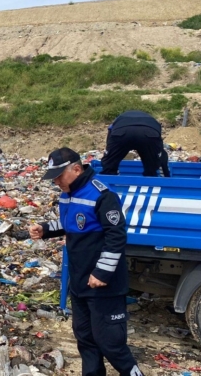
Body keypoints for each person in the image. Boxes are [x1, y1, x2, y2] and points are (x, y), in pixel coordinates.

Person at [30, 147, 143, 376]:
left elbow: (116, 236)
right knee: (86, 341)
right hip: (80, 283)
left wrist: (102, 273)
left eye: (59, 176)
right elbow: (68, 223)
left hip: (104, 285)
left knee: (111, 344)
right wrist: (44, 229)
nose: (56, 182)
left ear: (77, 169)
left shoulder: (102, 195)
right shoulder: (67, 193)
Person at [101, 110, 169, 177]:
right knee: (152, 165)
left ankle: (108, 180)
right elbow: (159, 143)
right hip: (149, 133)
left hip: (121, 132)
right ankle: (152, 179)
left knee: (109, 164)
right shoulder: (151, 120)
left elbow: (110, 132)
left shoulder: (119, 119)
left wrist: (109, 154)